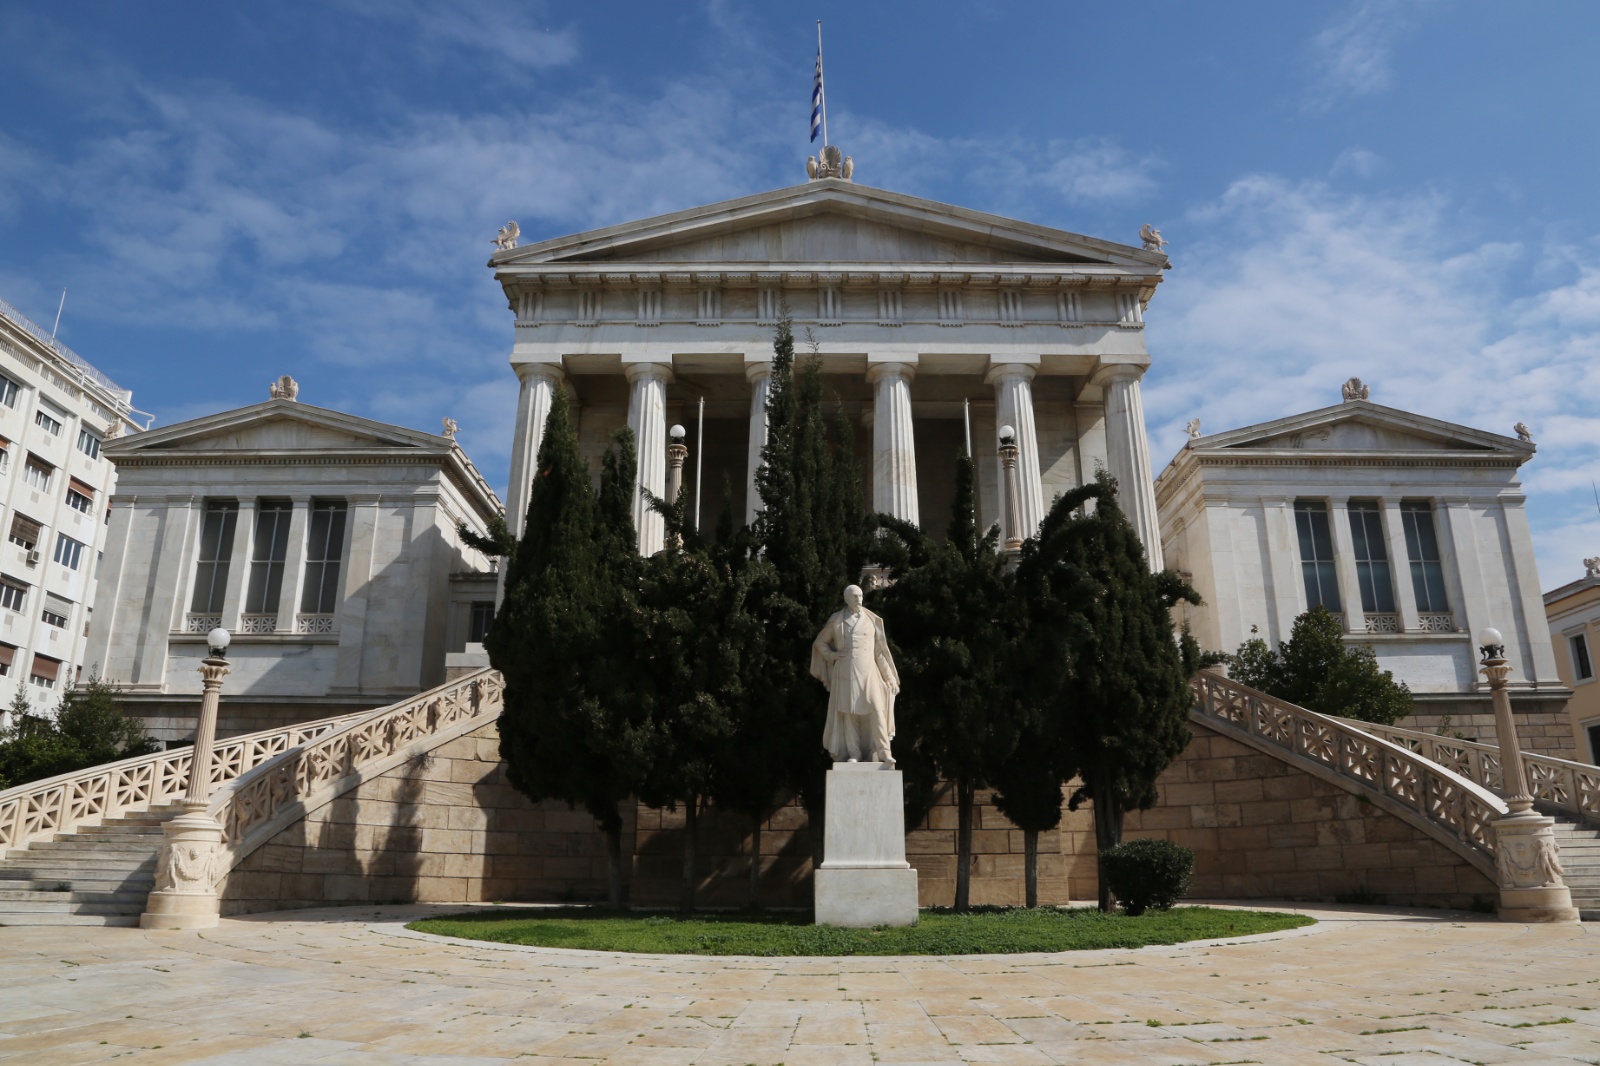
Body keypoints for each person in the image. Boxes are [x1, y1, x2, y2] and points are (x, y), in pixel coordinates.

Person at [810, 584, 901, 764]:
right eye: (855, 597)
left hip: (870, 673)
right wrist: (832, 655)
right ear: (846, 599)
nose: (859, 600)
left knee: (877, 710)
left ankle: (884, 751)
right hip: (845, 673)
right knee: (849, 714)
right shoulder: (837, 620)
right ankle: (854, 754)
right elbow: (820, 643)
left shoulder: (870, 619)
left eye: (860, 596)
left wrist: (889, 677)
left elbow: (879, 653)